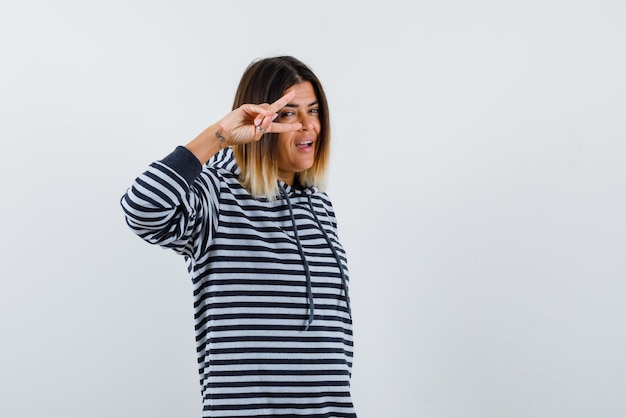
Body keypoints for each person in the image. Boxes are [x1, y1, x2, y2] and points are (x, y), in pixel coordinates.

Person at [120, 55, 357, 417]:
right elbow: (143, 209)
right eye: (289, 114)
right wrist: (221, 135)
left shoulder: (318, 204)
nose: (309, 126)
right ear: (261, 121)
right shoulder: (218, 193)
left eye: (314, 111)